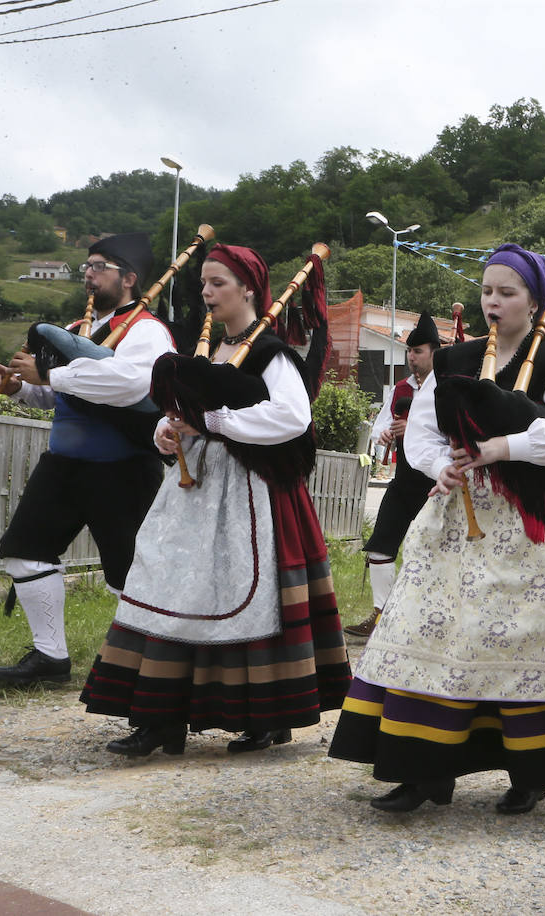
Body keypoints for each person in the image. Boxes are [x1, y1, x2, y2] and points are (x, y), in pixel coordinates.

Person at [327, 242, 545, 816]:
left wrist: (506, 445)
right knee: (431, 635)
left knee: (517, 642)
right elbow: (421, 432)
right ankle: (420, 770)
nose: (493, 303)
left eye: (507, 293)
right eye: (486, 291)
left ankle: (530, 772)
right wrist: (438, 465)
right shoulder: (454, 362)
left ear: (534, 301)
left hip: (525, 531)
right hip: (453, 524)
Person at [79, 243, 350, 756]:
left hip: (254, 496)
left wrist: (215, 422)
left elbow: (293, 418)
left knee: (247, 598)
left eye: (218, 282)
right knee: (171, 588)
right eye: (204, 282)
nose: (207, 291)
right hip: (193, 494)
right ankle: (160, 719)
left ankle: (267, 716)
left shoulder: (271, 352)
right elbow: (183, 408)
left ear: (249, 288)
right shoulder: (207, 351)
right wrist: (166, 429)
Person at [0, 232, 175, 687]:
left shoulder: (148, 330)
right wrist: (23, 388)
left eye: (99, 266)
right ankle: (50, 658)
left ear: (128, 278)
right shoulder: (74, 330)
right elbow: (57, 395)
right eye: (87, 266)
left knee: (127, 573)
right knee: (24, 552)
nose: (88, 274)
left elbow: (131, 386)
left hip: (122, 468)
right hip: (63, 464)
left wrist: (51, 372)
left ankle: (151, 662)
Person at [344, 311, 442, 639]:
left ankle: (430, 620)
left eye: (418, 352)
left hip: (437, 483)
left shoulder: (449, 386)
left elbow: (451, 433)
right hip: (404, 479)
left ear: (434, 352)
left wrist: (411, 427)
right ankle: (382, 616)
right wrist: (384, 433)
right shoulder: (401, 387)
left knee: (433, 551)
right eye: (409, 353)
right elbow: (379, 426)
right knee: (380, 545)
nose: (412, 358)